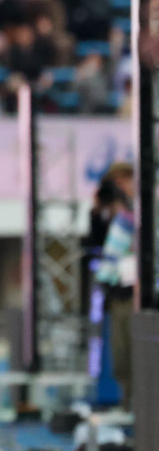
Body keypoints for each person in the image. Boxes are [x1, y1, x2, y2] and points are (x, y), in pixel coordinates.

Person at [96, 162, 136, 411]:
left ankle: (135, 405)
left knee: (136, 354)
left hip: (137, 292)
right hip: (116, 290)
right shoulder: (118, 212)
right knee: (120, 357)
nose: (120, 187)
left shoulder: (142, 207)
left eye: (123, 181)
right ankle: (127, 401)